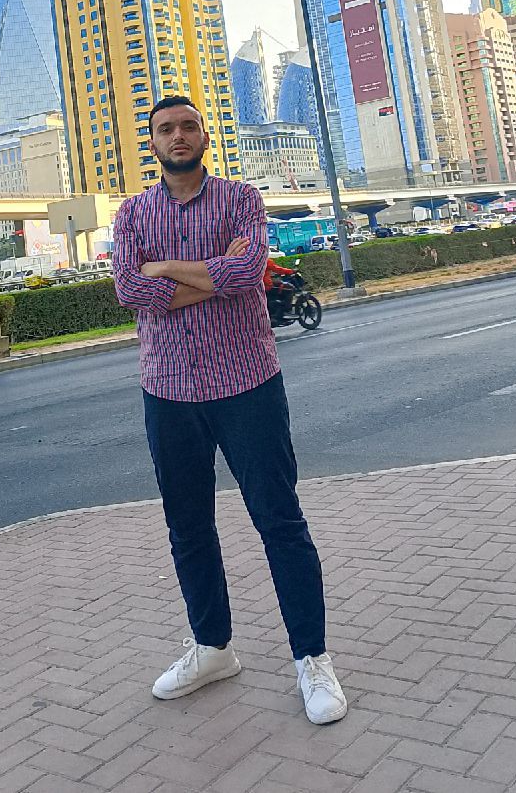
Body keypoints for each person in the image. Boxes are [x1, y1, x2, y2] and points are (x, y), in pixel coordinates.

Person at [112, 95, 347, 725]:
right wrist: (207, 276)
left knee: (279, 520)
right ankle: (213, 648)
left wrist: (166, 270)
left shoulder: (241, 198)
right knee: (188, 527)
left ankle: (312, 659)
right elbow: (130, 289)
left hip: (247, 384)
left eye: (188, 126)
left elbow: (248, 275)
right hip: (168, 391)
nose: (178, 135)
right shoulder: (132, 212)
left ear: (204, 136)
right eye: (166, 129)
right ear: (153, 142)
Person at [263, 256, 297, 327]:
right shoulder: (265, 261)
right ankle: (286, 310)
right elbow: (277, 269)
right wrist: (290, 271)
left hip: (260, 287)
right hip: (267, 286)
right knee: (288, 290)